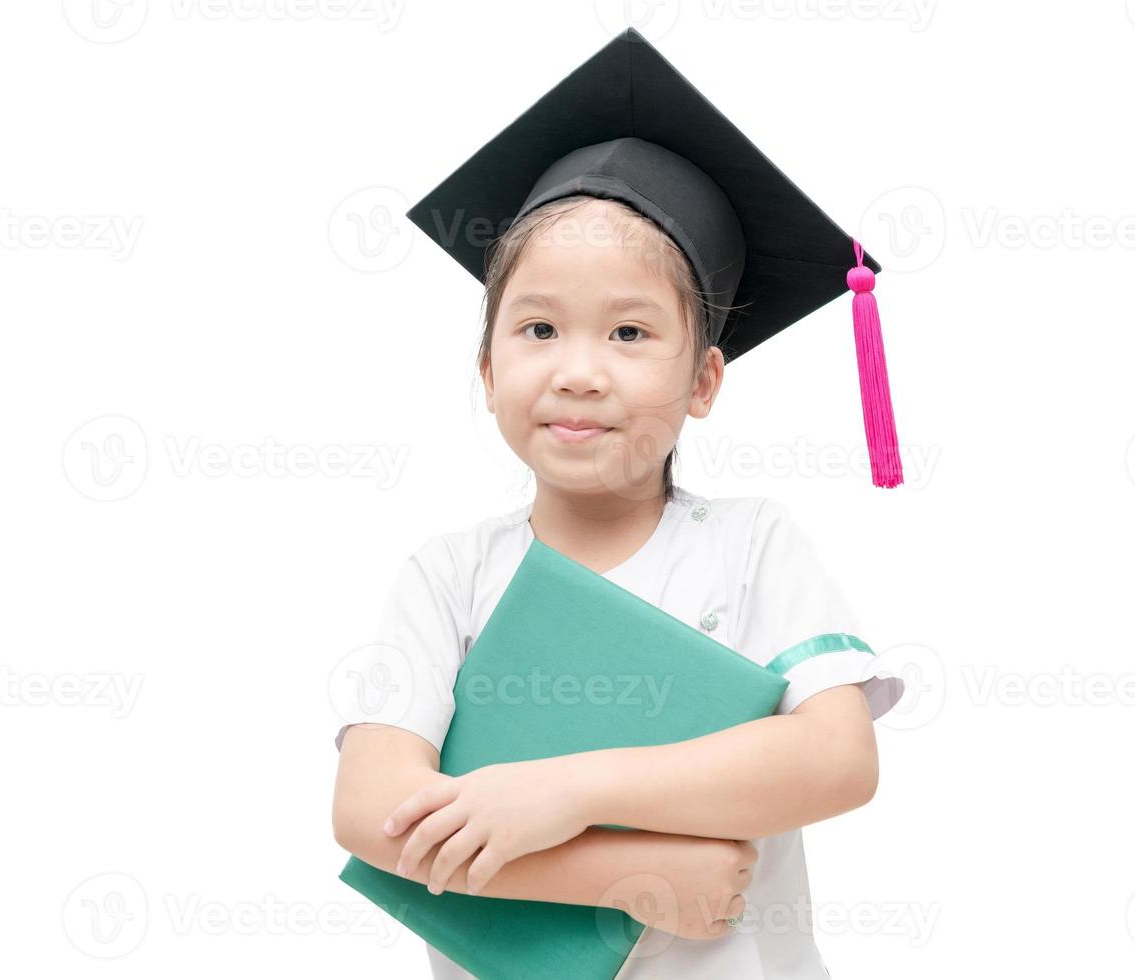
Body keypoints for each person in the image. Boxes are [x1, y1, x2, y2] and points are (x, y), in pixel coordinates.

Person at [331, 27, 908, 978]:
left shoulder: (753, 549)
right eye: (540, 327)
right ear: (487, 368)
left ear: (704, 381)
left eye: (631, 331)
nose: (580, 372)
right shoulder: (451, 576)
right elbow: (369, 809)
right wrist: (623, 873)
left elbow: (838, 761)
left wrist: (565, 792)